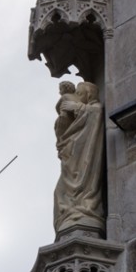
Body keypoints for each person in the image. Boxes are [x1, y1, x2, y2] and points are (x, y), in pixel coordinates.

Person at [53, 80, 105, 235]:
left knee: (77, 188)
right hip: (72, 158)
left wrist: (77, 107)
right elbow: (63, 133)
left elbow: (96, 114)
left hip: (85, 159)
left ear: (89, 95)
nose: (76, 97)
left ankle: (84, 210)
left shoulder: (94, 108)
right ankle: (69, 214)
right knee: (59, 192)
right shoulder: (80, 114)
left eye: (80, 94)